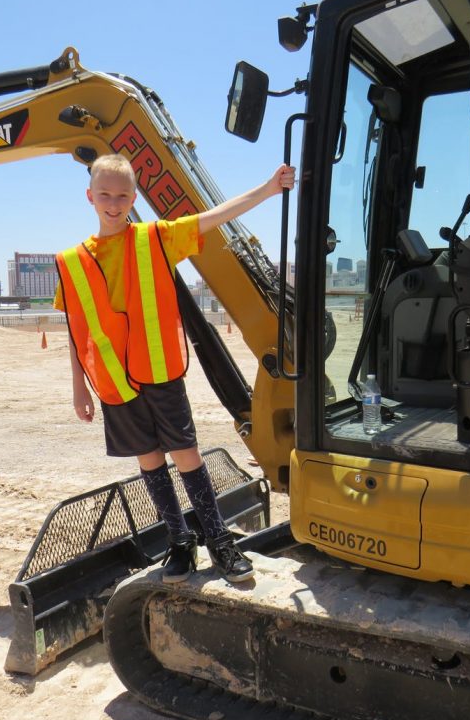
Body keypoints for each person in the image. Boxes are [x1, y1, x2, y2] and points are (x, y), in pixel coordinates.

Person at [55, 154, 295, 584]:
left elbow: (212, 217)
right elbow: (77, 332)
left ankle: (220, 542)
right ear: (90, 197)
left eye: (123, 195)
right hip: (113, 382)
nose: (114, 202)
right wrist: (79, 388)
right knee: (149, 461)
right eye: (105, 194)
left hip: (159, 371)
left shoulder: (155, 239)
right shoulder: (72, 262)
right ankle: (179, 543)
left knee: (186, 455)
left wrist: (267, 189)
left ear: (133, 198)